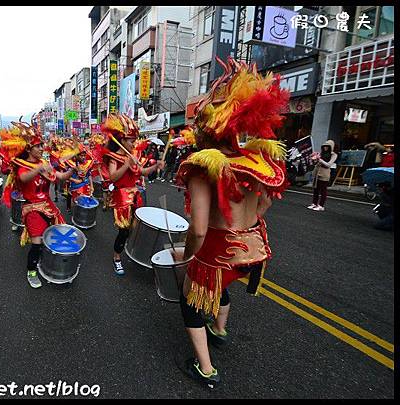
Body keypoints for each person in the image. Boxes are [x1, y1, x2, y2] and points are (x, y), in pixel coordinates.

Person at [175, 57, 289, 388]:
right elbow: (264, 205)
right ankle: (220, 330)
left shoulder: (202, 166)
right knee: (222, 288)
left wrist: (186, 257)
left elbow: (197, 229)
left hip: (215, 254)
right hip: (252, 252)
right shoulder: (256, 160)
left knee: (191, 301)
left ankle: (205, 368)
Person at [1, 121, 73, 288]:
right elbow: (23, 178)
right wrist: (39, 169)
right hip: (31, 207)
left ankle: (52, 264)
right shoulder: (22, 166)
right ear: (28, 149)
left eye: (42, 145)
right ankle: (31, 271)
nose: (41, 149)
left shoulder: (44, 164)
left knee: (59, 236)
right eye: (38, 146)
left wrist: (73, 170)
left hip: (48, 206)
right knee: (37, 242)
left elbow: (60, 177)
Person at [101, 113, 164, 275]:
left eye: (135, 140)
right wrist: (126, 164)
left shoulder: (133, 156)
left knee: (135, 229)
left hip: (136, 196)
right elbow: (113, 177)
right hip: (122, 198)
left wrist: (156, 166)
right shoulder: (114, 157)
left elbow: (142, 172)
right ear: (122, 141)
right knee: (123, 231)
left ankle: (132, 251)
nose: (134, 143)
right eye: (131, 141)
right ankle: (116, 257)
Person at [308, 140, 338, 211]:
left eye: (327, 147)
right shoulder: (322, 153)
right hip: (317, 172)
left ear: (331, 147)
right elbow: (315, 163)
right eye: (324, 146)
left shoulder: (333, 155)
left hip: (325, 173)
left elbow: (328, 165)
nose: (325, 148)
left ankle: (321, 205)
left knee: (323, 190)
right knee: (316, 189)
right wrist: (313, 158)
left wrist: (319, 159)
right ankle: (314, 203)